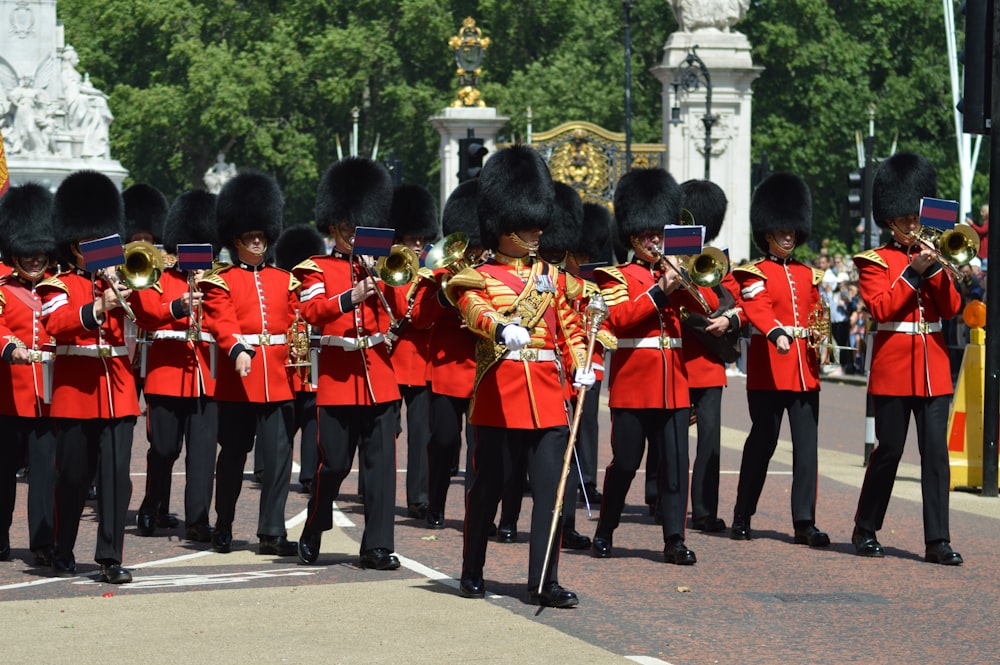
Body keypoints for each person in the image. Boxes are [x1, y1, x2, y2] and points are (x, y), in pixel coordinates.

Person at [449, 145, 592, 607]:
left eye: (538, 222)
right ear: (503, 223)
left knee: (551, 493)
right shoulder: (477, 275)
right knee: (488, 489)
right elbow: (472, 309)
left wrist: (584, 365)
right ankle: (472, 569)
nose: (536, 230)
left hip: (548, 397)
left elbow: (570, 324)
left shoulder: (553, 276)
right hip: (499, 396)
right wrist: (500, 326)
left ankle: (543, 581)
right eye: (528, 223)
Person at [851, 151, 964, 565]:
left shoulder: (937, 256)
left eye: (915, 217)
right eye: (905, 219)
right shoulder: (874, 262)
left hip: (933, 367)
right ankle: (866, 526)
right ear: (889, 220)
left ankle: (938, 540)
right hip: (894, 367)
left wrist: (933, 270)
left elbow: (950, 309)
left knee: (936, 453)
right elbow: (881, 308)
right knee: (891, 450)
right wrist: (913, 271)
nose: (913, 225)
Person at [294, 157, 402, 571]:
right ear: (335, 228)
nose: (356, 233)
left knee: (381, 468)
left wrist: (384, 282)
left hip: (379, 376)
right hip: (339, 376)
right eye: (350, 227)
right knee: (334, 464)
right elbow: (314, 312)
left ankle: (376, 546)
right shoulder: (314, 268)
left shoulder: (382, 267)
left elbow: (400, 313)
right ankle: (315, 523)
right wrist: (351, 297)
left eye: (361, 226)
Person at [589, 168, 700, 566]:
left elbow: (701, 307)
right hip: (635, 385)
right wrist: (660, 290)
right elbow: (620, 318)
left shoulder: (675, 274)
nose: (656, 242)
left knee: (675, 466)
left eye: (660, 234)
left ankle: (674, 540)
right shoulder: (616, 276)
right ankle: (605, 530)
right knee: (625, 463)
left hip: (673, 384)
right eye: (649, 236)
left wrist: (688, 282)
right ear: (634, 238)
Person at [37, 170, 140, 584]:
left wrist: (133, 290)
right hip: (77, 392)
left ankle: (110, 557)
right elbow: (56, 324)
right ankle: (63, 546)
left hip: (118, 390)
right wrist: (99, 307)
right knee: (74, 477)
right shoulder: (56, 284)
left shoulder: (122, 278)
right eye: (84, 243)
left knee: (117, 479)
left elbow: (150, 313)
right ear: (73, 245)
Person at [199, 170, 299, 557]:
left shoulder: (284, 279)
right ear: (236, 239)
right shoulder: (219, 281)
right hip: (239, 378)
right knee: (233, 456)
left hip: (277, 377)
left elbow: (299, 318)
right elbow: (220, 320)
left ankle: (272, 531)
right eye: (250, 237)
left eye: (261, 236)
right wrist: (237, 349)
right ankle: (223, 524)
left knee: (277, 461)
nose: (258, 242)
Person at [729, 172, 830, 548]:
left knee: (807, 449)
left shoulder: (808, 274)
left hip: (804, 370)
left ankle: (804, 521)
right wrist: (775, 333)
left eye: (792, 228)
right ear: (767, 232)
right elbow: (757, 307)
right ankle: (743, 513)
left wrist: (821, 335)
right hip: (770, 369)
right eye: (780, 229)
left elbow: (816, 312)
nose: (788, 234)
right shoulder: (753, 272)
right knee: (763, 442)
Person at [130, 190, 218, 543]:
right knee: (164, 449)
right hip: (166, 375)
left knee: (201, 455)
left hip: (205, 378)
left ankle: (197, 519)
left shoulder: (215, 280)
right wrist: (177, 308)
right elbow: (147, 313)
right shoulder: (159, 276)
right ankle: (152, 505)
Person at [409, 180, 484, 531]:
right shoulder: (438, 272)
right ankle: (435, 503)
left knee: (482, 449)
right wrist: (444, 294)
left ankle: (478, 511)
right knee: (443, 442)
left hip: (485, 367)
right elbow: (419, 318)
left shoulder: (493, 274)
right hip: (447, 369)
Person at [678, 179, 743, 533]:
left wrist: (728, 318)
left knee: (710, 440)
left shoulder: (716, 263)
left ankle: (704, 509)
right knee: (669, 439)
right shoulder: (671, 263)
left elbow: (738, 304)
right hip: (675, 360)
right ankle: (663, 498)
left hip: (708, 364)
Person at [0, 183, 58, 565]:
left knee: (44, 475)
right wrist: (9, 346)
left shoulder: (59, 286)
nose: (35, 260)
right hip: (7, 393)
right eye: (28, 254)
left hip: (49, 396)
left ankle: (42, 540)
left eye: (40, 253)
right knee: (2, 475)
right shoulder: (2, 284)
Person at [386, 184, 438, 520]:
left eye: (420, 238)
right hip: (389, 361)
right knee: (384, 432)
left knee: (421, 435)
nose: (417, 244)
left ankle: (419, 495)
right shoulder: (388, 269)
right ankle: (373, 488)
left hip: (420, 362)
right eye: (411, 237)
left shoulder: (431, 272)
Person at [274, 223, 328, 497]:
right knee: (284, 418)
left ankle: (309, 473)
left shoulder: (313, 284)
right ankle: (268, 467)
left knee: (311, 415)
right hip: (289, 361)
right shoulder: (283, 285)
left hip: (312, 361)